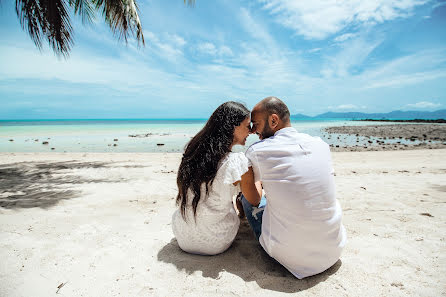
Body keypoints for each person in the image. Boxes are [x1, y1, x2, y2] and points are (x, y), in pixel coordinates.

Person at [240, 96, 347, 279]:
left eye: (255, 124)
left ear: (273, 120)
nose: (253, 131)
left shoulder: (258, 151)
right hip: (334, 249)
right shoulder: (320, 145)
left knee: (246, 196)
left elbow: (254, 199)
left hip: (292, 258)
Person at [172, 101, 252, 255]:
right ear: (233, 127)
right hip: (214, 241)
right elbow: (254, 200)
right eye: (248, 126)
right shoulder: (235, 162)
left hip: (183, 235)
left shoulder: (193, 152)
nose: (251, 131)